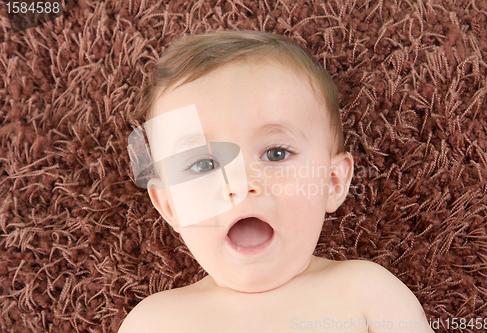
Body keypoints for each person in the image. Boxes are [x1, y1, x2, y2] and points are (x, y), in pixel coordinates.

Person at [119, 30, 434, 332]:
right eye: (204, 164)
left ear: (333, 181)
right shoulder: (155, 321)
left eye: (276, 153)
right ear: (171, 206)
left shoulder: (366, 292)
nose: (242, 184)